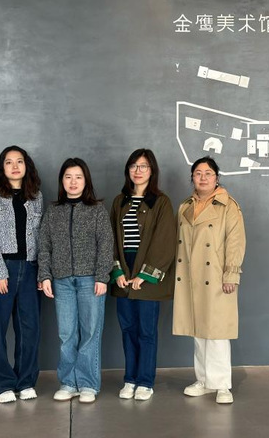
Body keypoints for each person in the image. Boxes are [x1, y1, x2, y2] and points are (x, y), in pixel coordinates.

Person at [38, 158, 114, 404]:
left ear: (86, 180)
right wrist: (45, 275)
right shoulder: (53, 211)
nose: (73, 182)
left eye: (78, 177)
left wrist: (102, 277)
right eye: (68, 177)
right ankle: (69, 382)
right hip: (62, 281)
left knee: (90, 332)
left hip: (90, 279)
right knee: (66, 334)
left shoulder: (97, 210)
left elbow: (106, 245)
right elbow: (44, 245)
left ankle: (88, 383)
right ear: (62, 180)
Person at [172, 156, 246, 405]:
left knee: (217, 332)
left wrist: (231, 274)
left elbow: (235, 242)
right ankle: (203, 380)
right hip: (191, 277)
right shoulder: (185, 206)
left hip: (216, 276)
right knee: (199, 331)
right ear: (192, 177)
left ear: (217, 177)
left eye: (208, 173)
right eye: (198, 173)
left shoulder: (228, 206)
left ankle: (222, 385)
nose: (203, 178)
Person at [109, 149, 176, 401]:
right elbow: (111, 240)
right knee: (128, 328)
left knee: (146, 331)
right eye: (133, 166)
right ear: (128, 170)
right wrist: (117, 271)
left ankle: (145, 381)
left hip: (146, 275)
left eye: (143, 166)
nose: (138, 171)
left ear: (152, 171)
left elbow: (165, 242)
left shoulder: (161, 202)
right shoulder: (120, 201)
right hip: (123, 273)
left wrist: (144, 275)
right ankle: (130, 379)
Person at [0, 145, 43, 403]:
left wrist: (41, 272)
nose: (14, 166)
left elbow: (41, 235)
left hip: (30, 268)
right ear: (1, 167)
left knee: (29, 329)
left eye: (19, 161)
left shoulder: (36, 195)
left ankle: (26, 381)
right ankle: (1, 384)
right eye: (9, 162)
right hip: (3, 267)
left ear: (26, 165)